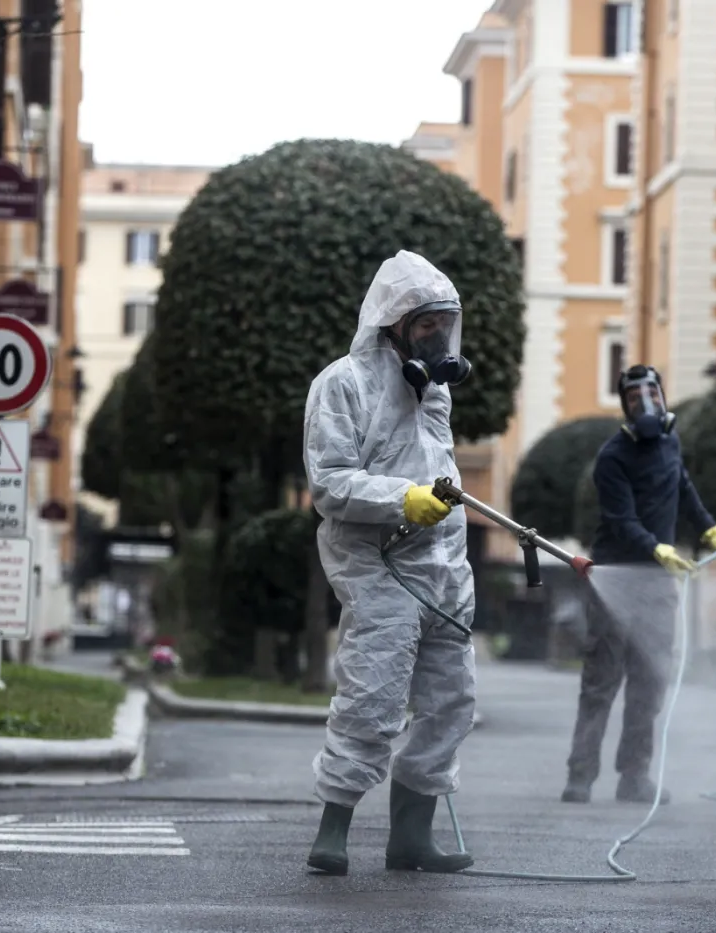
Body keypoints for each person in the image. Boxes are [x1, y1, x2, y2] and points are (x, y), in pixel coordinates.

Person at [301, 249, 478, 876]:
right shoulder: (342, 384)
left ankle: (411, 839)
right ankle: (333, 830)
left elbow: (438, 466)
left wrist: (439, 507)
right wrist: (403, 499)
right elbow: (329, 483)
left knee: (451, 702)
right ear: (395, 323)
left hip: (444, 568)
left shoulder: (434, 391)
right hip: (378, 565)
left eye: (446, 324)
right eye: (427, 324)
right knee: (371, 695)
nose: (438, 337)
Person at [560, 364, 716, 805]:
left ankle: (634, 777)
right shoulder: (612, 457)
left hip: (657, 585)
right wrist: (657, 548)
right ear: (624, 405)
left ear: (663, 395)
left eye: (652, 394)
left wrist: (711, 529)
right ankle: (580, 776)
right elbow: (620, 520)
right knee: (601, 681)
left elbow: (683, 489)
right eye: (635, 398)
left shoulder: (671, 443)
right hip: (615, 581)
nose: (646, 404)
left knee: (650, 683)